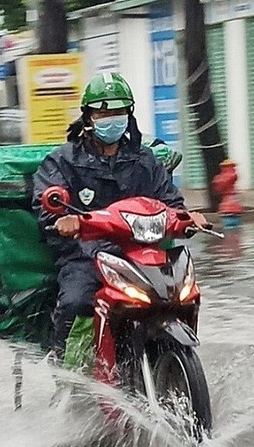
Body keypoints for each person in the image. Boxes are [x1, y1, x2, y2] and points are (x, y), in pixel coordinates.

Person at [32, 72, 208, 354]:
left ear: (129, 114)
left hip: (140, 252)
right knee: (76, 301)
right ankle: (69, 371)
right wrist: (63, 220)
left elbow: (171, 200)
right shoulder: (63, 161)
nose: (111, 118)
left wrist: (188, 218)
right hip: (86, 254)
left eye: (118, 111)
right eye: (103, 112)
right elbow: (47, 205)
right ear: (88, 117)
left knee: (181, 295)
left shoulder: (144, 160)